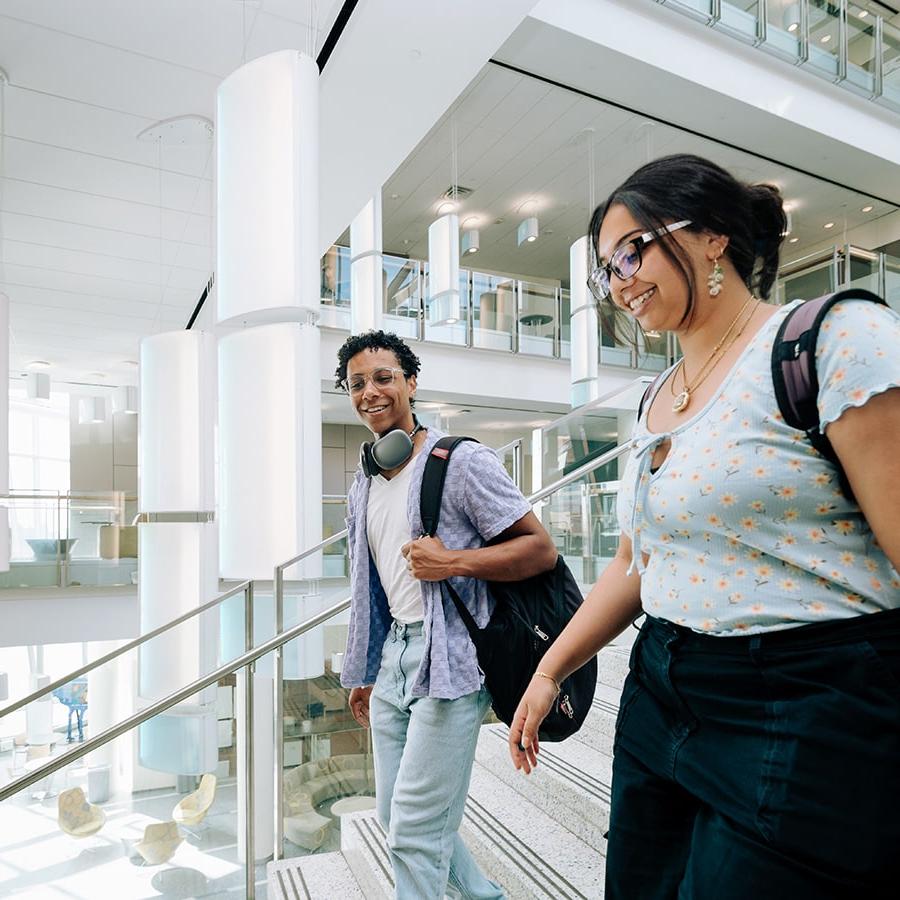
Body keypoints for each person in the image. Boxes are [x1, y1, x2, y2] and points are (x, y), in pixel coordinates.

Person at [508, 154, 900, 899]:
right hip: (664, 690)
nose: (618, 281)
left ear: (713, 236)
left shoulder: (831, 339)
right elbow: (635, 561)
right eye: (605, 270)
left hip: (806, 698)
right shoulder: (656, 396)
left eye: (632, 250)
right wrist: (551, 666)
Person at [335, 330, 557, 900]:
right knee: (395, 814)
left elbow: (539, 549)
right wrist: (365, 668)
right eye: (357, 384)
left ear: (411, 383)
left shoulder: (460, 462)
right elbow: (371, 588)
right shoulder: (363, 483)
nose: (370, 392)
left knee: (412, 832)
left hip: (451, 661)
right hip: (392, 662)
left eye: (383, 377)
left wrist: (453, 561)